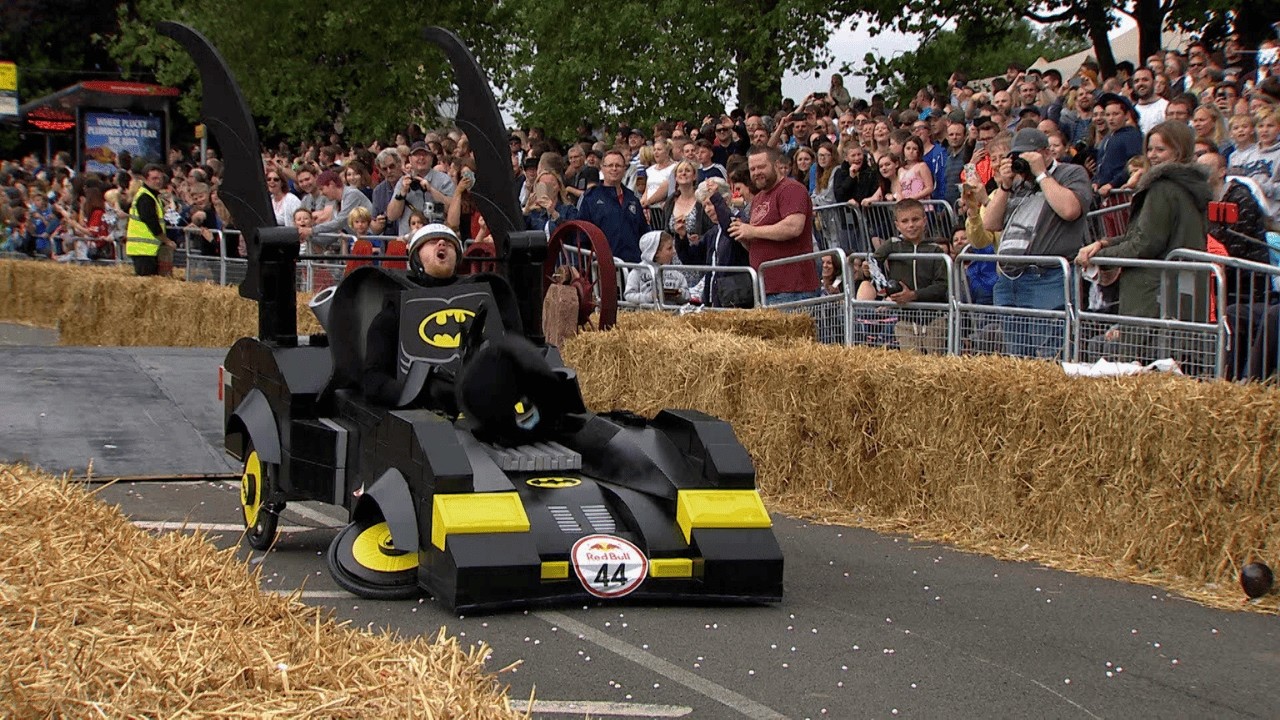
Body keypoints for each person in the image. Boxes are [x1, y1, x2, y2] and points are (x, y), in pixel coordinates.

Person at [1077, 121, 1210, 320]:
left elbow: (1144, 243)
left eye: (1160, 149)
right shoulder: (1191, 186)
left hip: (1152, 297)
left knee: (1145, 350)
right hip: (1180, 291)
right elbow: (1143, 235)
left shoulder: (1162, 188)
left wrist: (1101, 256)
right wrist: (1102, 243)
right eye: (1149, 149)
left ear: (1178, 151)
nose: (1152, 155)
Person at [981, 128, 1091, 358]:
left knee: (1049, 357)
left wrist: (1042, 174)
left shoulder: (1070, 173)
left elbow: (1070, 210)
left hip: (1046, 277)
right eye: (1017, 156)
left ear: (1046, 152)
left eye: (1028, 155)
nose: (1022, 162)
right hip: (1010, 278)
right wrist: (1004, 186)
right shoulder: (1018, 184)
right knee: (1017, 358)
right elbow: (990, 223)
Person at [855, 199, 949, 354]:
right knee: (911, 366)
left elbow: (942, 286)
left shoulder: (935, 250)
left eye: (915, 219)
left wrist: (913, 295)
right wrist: (867, 270)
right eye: (905, 221)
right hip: (905, 320)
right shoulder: (893, 244)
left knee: (935, 366)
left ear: (924, 221)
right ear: (897, 225)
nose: (910, 225)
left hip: (934, 319)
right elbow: (873, 262)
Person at [728, 145, 819, 302]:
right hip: (766, 288)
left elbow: (793, 227)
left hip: (793, 289)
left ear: (776, 165)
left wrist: (753, 231)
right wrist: (743, 236)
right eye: (753, 169)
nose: (756, 173)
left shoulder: (791, 189)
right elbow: (756, 242)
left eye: (761, 167)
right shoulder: (758, 198)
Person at [577, 150, 650, 262]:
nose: (614, 169)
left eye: (618, 165)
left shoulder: (633, 199)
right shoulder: (590, 198)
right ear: (602, 168)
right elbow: (582, 237)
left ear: (624, 169)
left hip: (633, 268)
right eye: (610, 165)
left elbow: (644, 234)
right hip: (603, 268)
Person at [125, 164, 173, 276]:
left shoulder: (153, 196)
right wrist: (166, 240)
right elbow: (152, 222)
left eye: (160, 178)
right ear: (145, 179)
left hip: (148, 249)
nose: (158, 181)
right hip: (143, 250)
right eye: (154, 178)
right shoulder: (145, 197)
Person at [624, 231, 689, 305]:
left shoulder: (676, 272)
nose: (674, 251)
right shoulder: (637, 271)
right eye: (669, 248)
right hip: (647, 314)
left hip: (672, 314)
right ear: (655, 252)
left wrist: (678, 294)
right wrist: (650, 297)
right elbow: (628, 295)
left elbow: (687, 296)